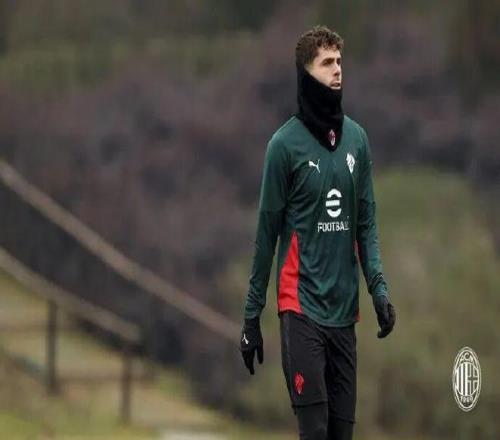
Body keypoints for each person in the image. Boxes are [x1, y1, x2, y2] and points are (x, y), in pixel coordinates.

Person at [240, 25, 396, 439]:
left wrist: (379, 290)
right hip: (300, 308)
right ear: (306, 73)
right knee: (315, 430)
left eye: (340, 61)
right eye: (327, 63)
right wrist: (251, 316)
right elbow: (266, 235)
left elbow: (366, 224)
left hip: (344, 312)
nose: (337, 70)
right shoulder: (283, 146)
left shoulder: (357, 141)